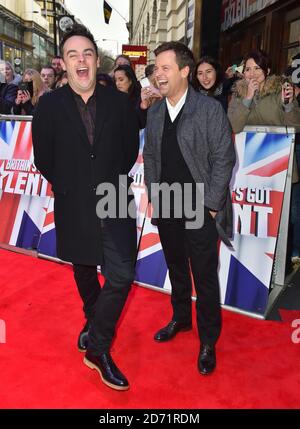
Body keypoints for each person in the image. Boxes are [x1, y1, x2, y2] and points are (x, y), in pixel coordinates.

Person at [32, 24, 139, 391]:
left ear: (96, 60)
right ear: (63, 63)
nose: (82, 60)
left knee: (122, 274)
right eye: (74, 54)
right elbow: (43, 157)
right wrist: (69, 186)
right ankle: (94, 320)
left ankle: (97, 344)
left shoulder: (119, 103)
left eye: (88, 53)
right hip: (73, 201)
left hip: (114, 198)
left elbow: (128, 151)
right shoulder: (48, 105)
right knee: (83, 268)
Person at [143, 42, 235, 375]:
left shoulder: (208, 110)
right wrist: (154, 191)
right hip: (167, 204)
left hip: (200, 208)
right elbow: (151, 156)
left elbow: (224, 158)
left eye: (165, 67)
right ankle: (181, 318)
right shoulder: (153, 111)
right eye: (156, 68)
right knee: (176, 267)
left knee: (205, 276)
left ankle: (208, 340)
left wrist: (211, 205)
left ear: (184, 71)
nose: (158, 73)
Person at [228, 50, 300, 132]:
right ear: (243, 73)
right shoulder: (238, 94)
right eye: (248, 69)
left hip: (278, 143)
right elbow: (232, 128)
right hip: (247, 143)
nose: (252, 74)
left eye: (257, 68)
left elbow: (296, 127)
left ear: (267, 71)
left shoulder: (280, 91)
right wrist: (248, 98)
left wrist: (288, 106)